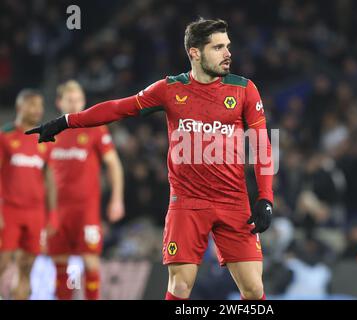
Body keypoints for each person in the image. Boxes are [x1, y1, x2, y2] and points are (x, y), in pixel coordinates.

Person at [26, 18, 274, 300]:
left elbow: (262, 145)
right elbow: (119, 108)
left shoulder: (244, 89)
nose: (228, 53)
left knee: (254, 291)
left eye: (227, 46)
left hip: (234, 202)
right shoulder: (170, 89)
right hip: (187, 203)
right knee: (180, 286)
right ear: (194, 52)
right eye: (218, 47)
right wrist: (66, 121)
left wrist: (265, 197)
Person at [47, 80, 125, 300]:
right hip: (57, 210)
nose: (75, 104)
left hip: (86, 210)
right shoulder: (49, 132)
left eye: (78, 99)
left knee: (90, 261)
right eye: (70, 100)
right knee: (60, 264)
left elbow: (113, 163)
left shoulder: (95, 128)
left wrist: (117, 199)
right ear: (59, 102)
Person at [0, 89, 57, 299]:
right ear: (19, 107)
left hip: (35, 213)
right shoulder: (5, 136)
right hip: (9, 210)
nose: (37, 110)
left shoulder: (45, 139)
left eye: (40, 105)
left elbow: (50, 181)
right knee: (3, 262)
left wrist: (52, 215)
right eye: (32, 104)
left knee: (27, 267)